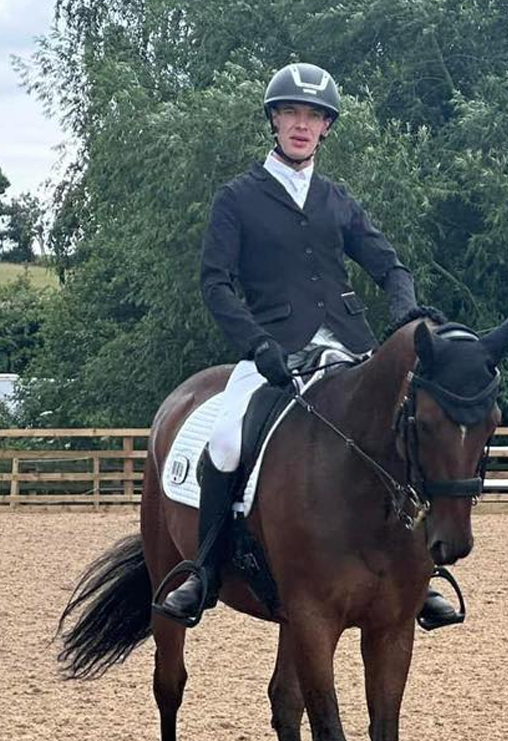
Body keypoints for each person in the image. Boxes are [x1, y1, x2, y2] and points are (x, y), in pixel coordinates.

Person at [156, 63, 461, 629]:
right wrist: (256, 343)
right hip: (272, 350)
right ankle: (203, 570)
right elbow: (216, 284)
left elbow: (389, 266)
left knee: (402, 434)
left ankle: (418, 573)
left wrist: (403, 312)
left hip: (348, 346)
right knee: (224, 442)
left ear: (326, 128)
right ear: (274, 121)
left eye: (314, 116)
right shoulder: (237, 198)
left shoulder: (335, 199)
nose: (302, 125)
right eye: (292, 113)